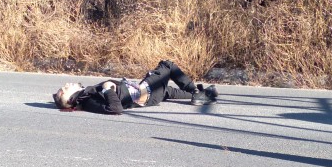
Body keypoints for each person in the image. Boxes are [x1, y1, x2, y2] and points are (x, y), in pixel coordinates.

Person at [52, 60, 218, 115]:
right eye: (64, 89)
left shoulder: (86, 96)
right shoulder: (88, 101)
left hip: (148, 95)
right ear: (69, 99)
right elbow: (115, 108)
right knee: (167, 65)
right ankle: (196, 92)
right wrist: (107, 89)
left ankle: (204, 95)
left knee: (167, 91)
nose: (66, 85)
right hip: (146, 92)